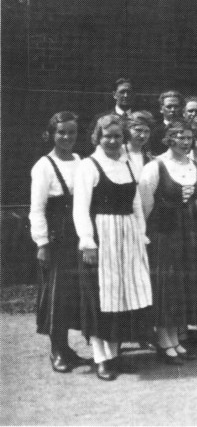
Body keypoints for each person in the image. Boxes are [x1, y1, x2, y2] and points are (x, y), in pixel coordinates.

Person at [73, 114, 153, 381]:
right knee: (101, 299)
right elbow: (80, 208)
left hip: (128, 237)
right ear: (97, 137)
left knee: (123, 296)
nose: (112, 141)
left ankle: (115, 354)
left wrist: (140, 234)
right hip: (102, 238)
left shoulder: (127, 163)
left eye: (118, 136)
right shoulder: (89, 165)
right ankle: (101, 358)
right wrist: (87, 242)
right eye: (107, 136)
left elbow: (136, 203)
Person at [30, 111, 92, 373]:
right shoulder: (43, 166)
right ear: (51, 134)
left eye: (72, 132)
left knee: (76, 291)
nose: (67, 137)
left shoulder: (81, 161)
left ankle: (68, 349)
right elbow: (37, 208)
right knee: (57, 292)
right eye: (61, 132)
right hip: (58, 235)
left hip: (79, 231)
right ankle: (56, 349)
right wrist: (42, 243)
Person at [139, 121, 197, 364]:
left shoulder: (193, 165)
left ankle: (175, 339)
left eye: (189, 138)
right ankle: (164, 340)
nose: (186, 142)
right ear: (168, 139)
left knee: (180, 285)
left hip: (187, 232)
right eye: (180, 137)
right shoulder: (155, 167)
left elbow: (196, 199)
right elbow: (145, 205)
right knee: (165, 285)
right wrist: (144, 234)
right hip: (163, 232)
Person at [150, 91, 185, 156]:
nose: (173, 110)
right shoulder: (153, 130)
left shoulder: (187, 128)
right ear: (161, 109)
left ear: (181, 108)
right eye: (169, 107)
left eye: (176, 106)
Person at [124, 111, 155, 176]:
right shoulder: (117, 153)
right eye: (138, 130)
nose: (142, 135)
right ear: (127, 130)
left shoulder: (151, 158)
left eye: (147, 131)